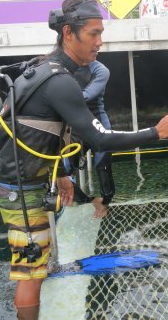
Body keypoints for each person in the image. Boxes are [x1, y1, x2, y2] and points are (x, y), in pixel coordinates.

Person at [0, 0, 168, 320]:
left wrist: (60, 174)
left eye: (101, 33)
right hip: (20, 189)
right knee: (30, 270)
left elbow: (34, 130)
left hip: (21, 177)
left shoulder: (43, 66)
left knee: (36, 261)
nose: (100, 41)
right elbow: (99, 138)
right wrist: (156, 132)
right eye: (94, 34)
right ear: (69, 33)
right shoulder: (59, 81)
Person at [74, 60, 114, 218]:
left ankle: (106, 205)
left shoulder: (100, 69)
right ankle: (88, 201)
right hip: (76, 130)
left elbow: (87, 95)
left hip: (99, 128)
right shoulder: (64, 67)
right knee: (65, 171)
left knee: (102, 167)